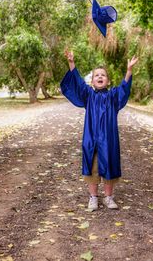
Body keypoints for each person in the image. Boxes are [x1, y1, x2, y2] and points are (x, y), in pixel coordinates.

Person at [60, 50, 138, 211]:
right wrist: (71, 63)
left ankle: (109, 198)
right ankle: (93, 198)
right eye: (97, 75)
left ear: (108, 81)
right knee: (92, 168)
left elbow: (124, 88)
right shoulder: (88, 95)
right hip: (91, 138)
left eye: (103, 75)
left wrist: (129, 70)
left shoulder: (113, 96)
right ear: (92, 81)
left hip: (108, 140)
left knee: (109, 165)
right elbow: (78, 83)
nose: (100, 77)